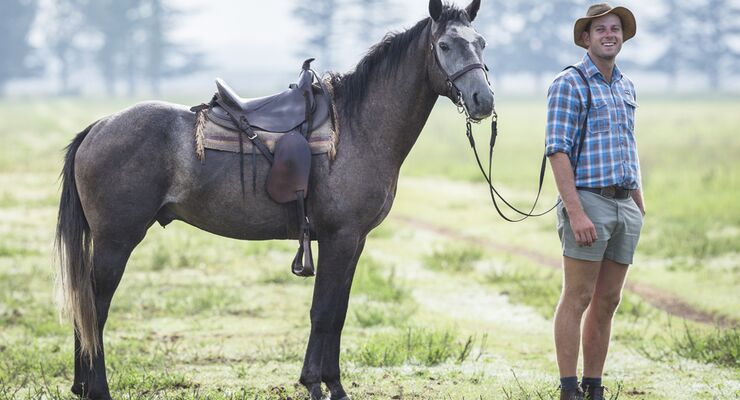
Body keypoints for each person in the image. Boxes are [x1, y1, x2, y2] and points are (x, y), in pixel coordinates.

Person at [545, 3, 645, 400]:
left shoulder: (625, 85)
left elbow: (629, 145)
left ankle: (594, 385)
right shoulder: (569, 83)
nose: (609, 34)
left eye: (615, 28)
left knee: (609, 300)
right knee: (578, 296)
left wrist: (638, 201)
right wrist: (576, 211)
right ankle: (569, 388)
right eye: (600, 29)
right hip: (588, 203)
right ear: (585, 38)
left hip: (624, 205)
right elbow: (557, 151)